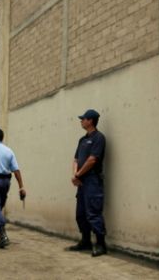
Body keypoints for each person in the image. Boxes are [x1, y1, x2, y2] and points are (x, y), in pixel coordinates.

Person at [66, 109, 108, 257]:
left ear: (90, 121)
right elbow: (76, 159)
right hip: (81, 181)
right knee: (81, 213)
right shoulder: (82, 140)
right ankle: (85, 241)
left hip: (92, 180)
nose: (81, 121)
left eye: (83, 119)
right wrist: (75, 175)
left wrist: (78, 174)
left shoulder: (99, 138)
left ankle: (101, 244)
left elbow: (92, 160)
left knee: (93, 213)